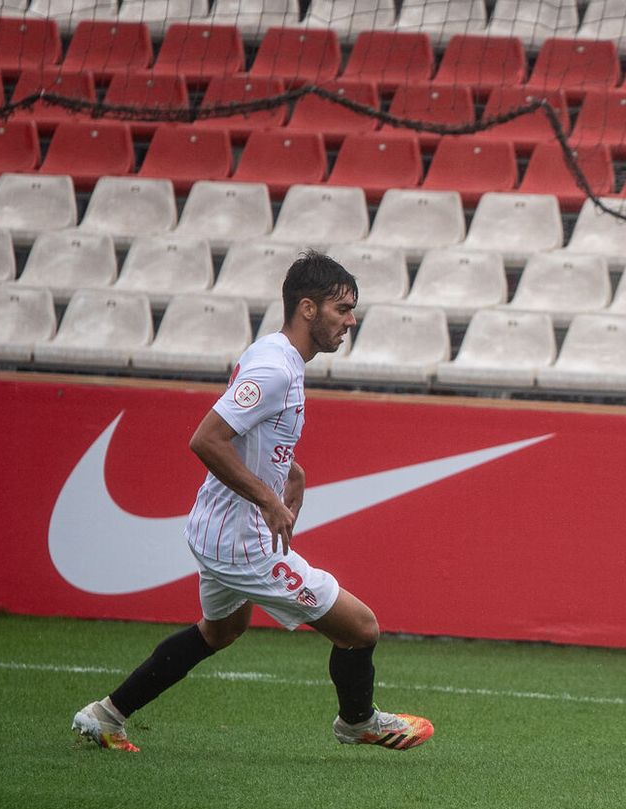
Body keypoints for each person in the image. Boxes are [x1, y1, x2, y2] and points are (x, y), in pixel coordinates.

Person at [71, 251, 434, 753]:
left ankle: (105, 716)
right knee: (360, 628)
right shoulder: (274, 370)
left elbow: (252, 437)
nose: (351, 321)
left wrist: (291, 472)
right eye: (342, 308)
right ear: (307, 308)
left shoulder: (276, 355)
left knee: (219, 632)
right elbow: (206, 439)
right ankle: (358, 721)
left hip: (215, 529)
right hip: (243, 544)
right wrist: (267, 496)